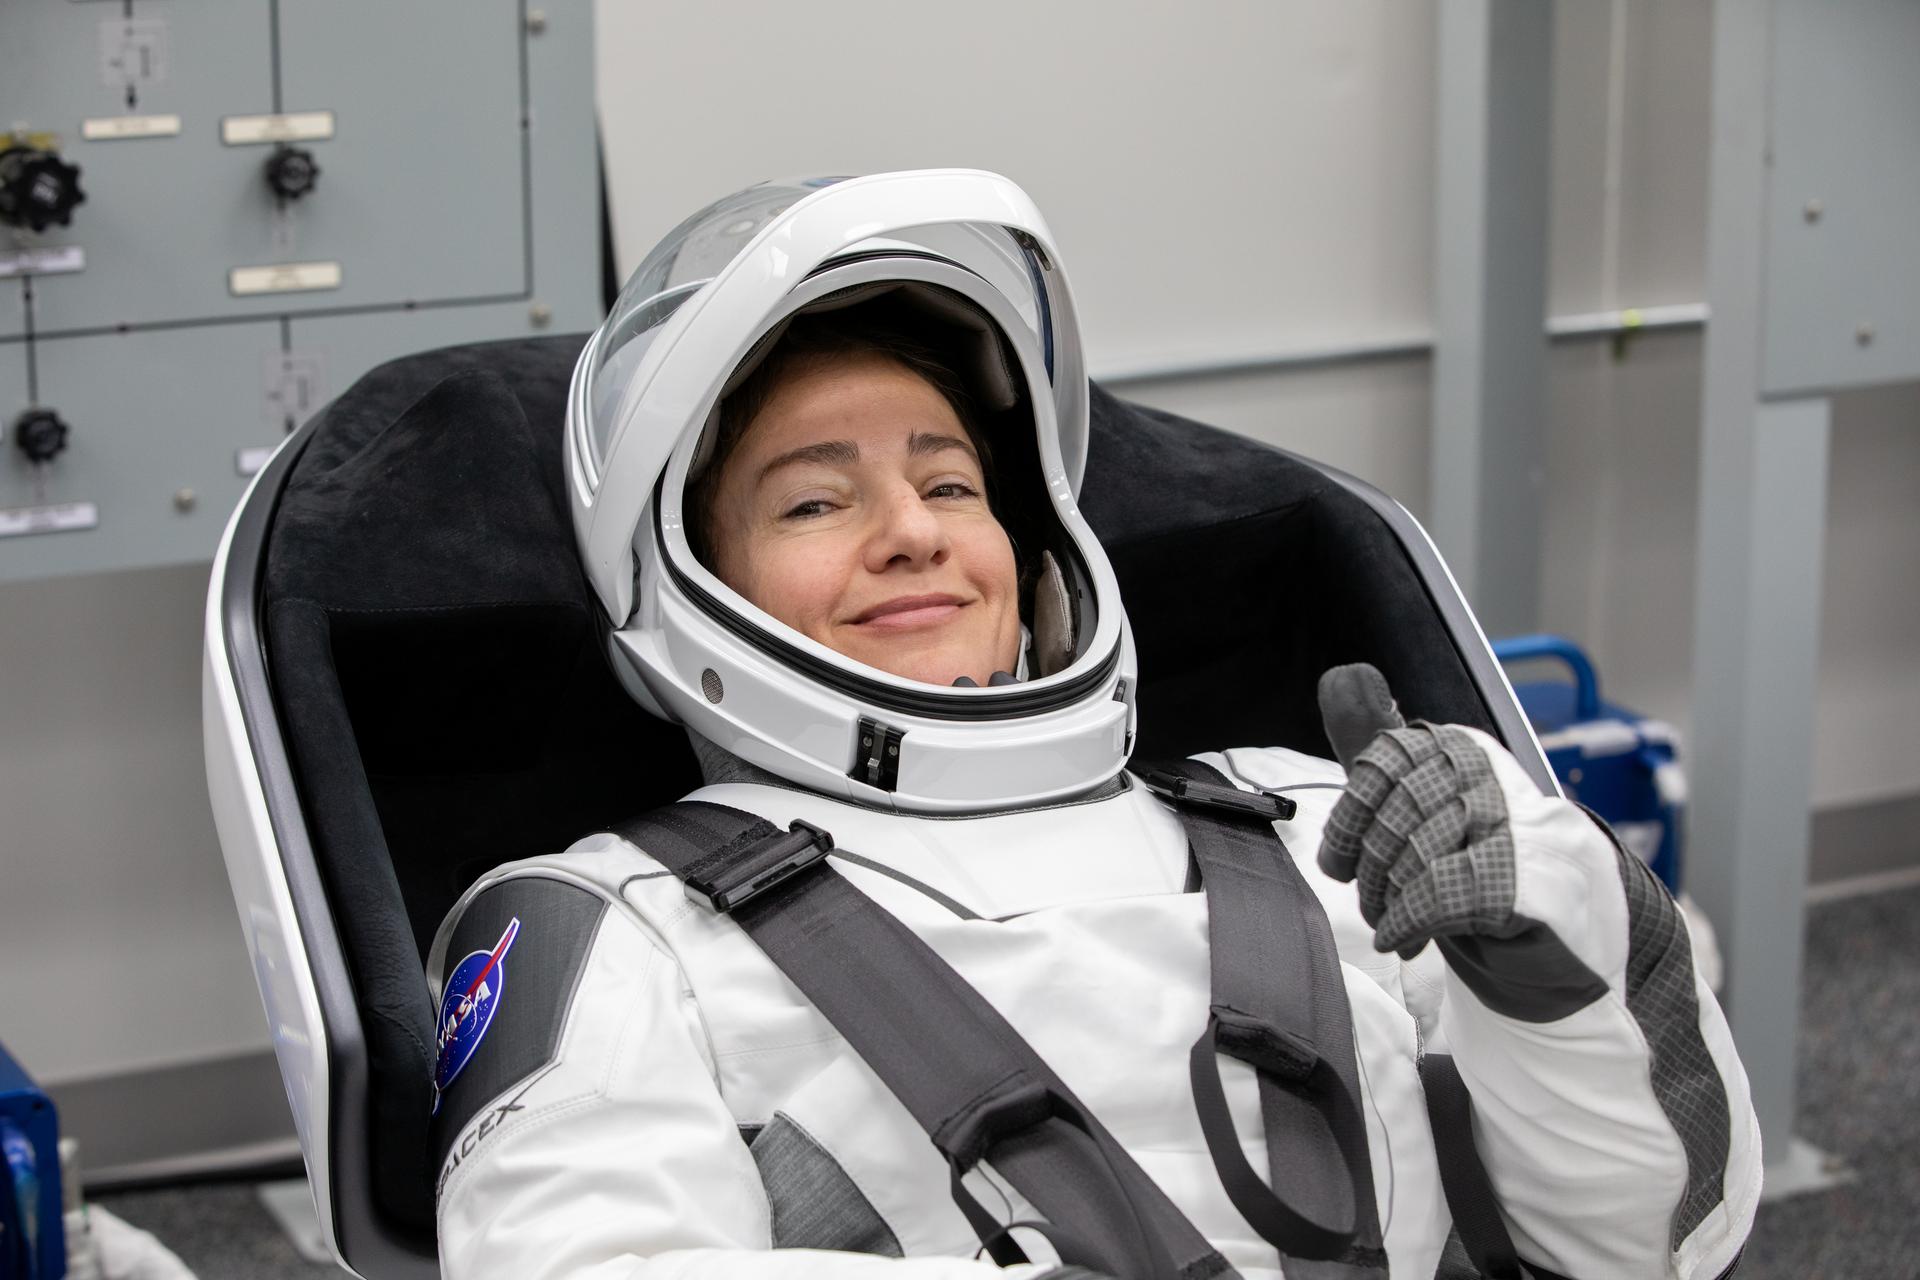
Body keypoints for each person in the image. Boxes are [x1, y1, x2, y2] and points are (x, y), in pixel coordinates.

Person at [427, 172, 1759, 1280]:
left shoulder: (1319, 816)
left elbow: (1651, 1245)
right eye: (815, 505)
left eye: (950, 480)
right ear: (688, 595)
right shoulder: (604, 926)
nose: (913, 533)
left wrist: (1546, 945)